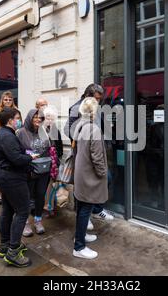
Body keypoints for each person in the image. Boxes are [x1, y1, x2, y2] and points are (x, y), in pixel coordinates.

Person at [64, 84, 114, 230]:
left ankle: (96, 210)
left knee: (106, 179)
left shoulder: (96, 107)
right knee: (81, 189)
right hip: (83, 155)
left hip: (96, 151)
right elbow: (68, 128)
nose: (98, 101)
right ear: (88, 95)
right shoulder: (76, 108)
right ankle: (84, 218)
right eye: (96, 98)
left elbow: (99, 125)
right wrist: (83, 140)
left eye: (100, 99)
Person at [0, 107, 39, 268]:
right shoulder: (7, 135)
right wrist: (30, 157)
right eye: (17, 117)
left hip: (6, 177)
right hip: (12, 179)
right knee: (22, 211)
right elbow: (16, 159)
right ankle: (13, 252)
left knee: (7, 210)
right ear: (10, 120)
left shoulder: (5, 133)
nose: (19, 120)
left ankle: (5, 246)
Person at [72, 97, 108, 259]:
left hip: (81, 174)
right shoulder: (93, 128)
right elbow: (97, 156)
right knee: (85, 210)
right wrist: (102, 173)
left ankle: (80, 236)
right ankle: (79, 247)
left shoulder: (79, 125)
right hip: (89, 175)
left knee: (81, 208)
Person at [17, 109, 51, 236]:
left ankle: (37, 221)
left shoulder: (44, 131)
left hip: (43, 170)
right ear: (30, 118)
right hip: (29, 170)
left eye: (40, 118)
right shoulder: (21, 132)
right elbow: (17, 152)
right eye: (35, 117)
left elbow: (48, 149)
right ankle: (25, 223)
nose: (38, 119)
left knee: (40, 195)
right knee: (27, 197)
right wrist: (30, 155)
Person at [0, 91, 21, 204]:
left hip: (14, 141)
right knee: (0, 167)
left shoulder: (17, 111)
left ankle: (9, 192)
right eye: (5, 99)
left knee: (12, 167)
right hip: (0, 142)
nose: (7, 101)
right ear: (2, 100)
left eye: (10, 99)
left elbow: (19, 125)